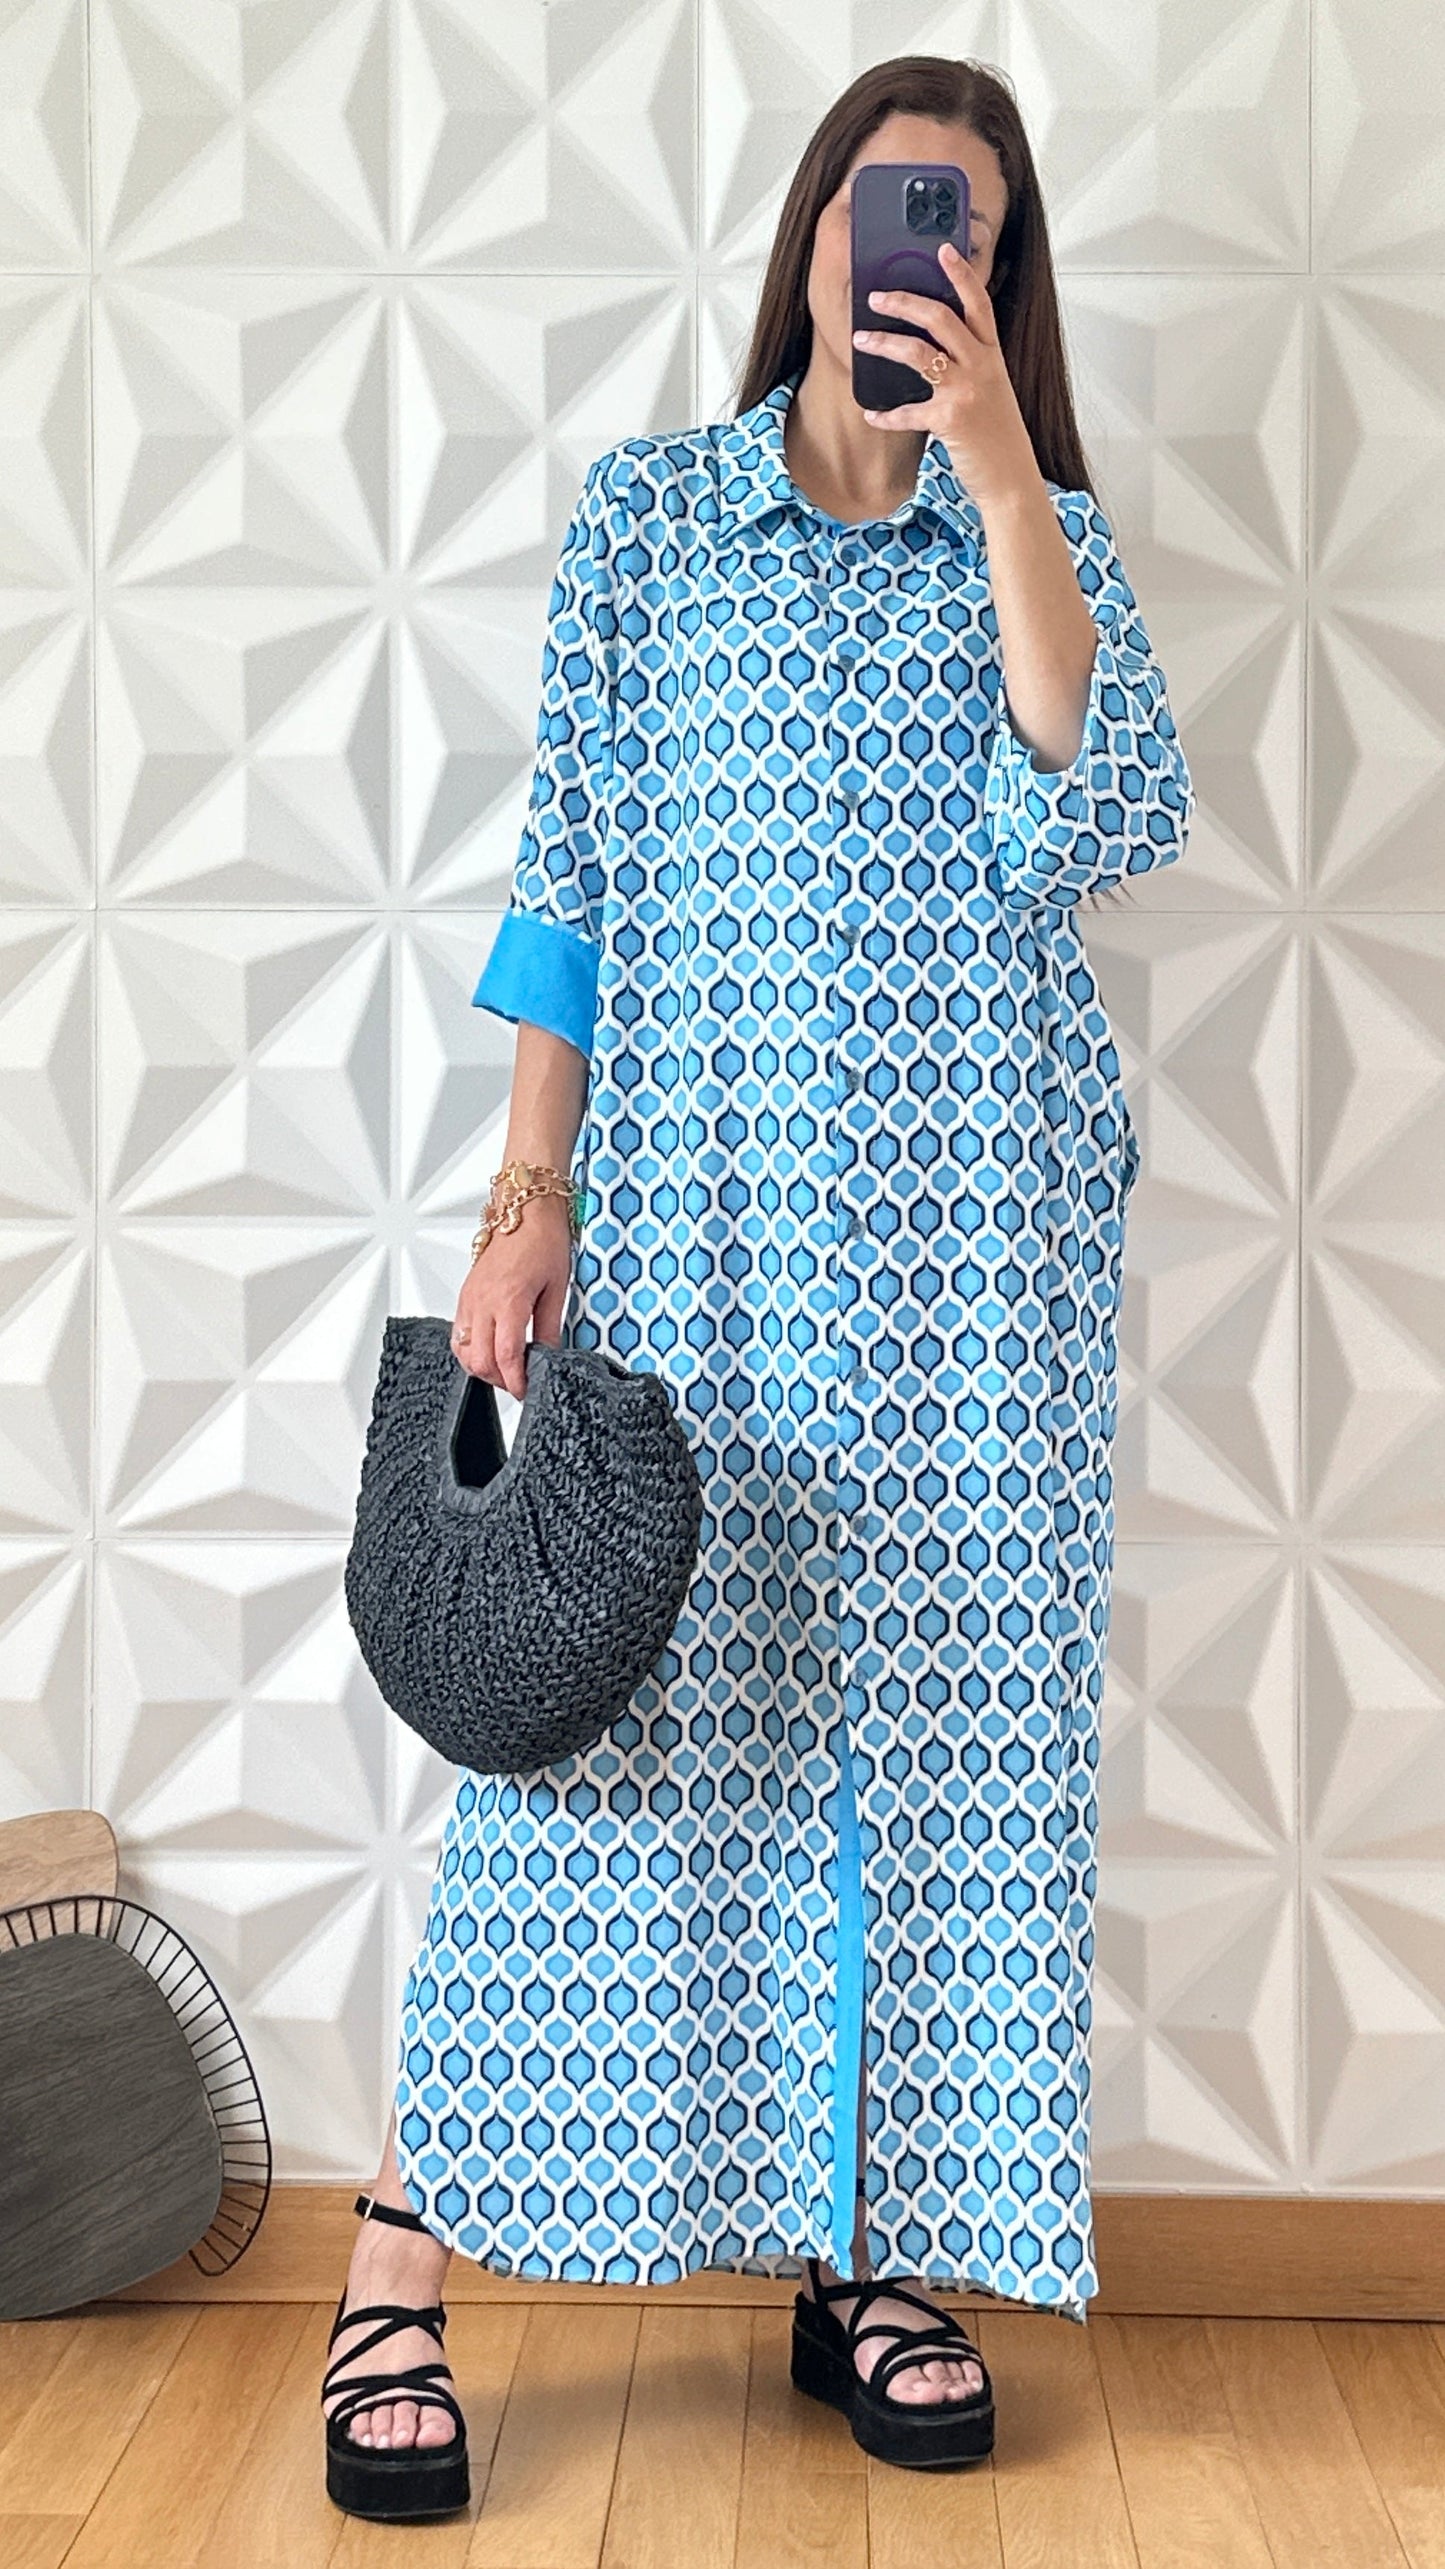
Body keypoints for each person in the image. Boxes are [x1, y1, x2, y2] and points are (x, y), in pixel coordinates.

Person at [321, 51, 1194, 2510]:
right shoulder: (650, 525)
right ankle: (397, 2250)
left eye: (967, 229)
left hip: (966, 1277)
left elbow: (1106, 797)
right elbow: (571, 877)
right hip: (700, 1249)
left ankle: (876, 2259)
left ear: (1002, 285)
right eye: (885, 208)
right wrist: (528, 1192)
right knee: (599, 1745)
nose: (915, 256)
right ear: (811, 232)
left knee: (933, 1765)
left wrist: (1006, 482)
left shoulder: (1041, 543)